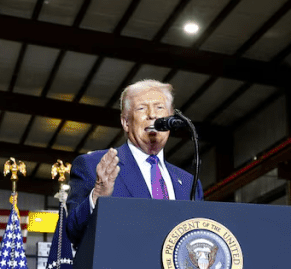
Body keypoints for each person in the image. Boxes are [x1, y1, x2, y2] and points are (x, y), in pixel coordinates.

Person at [65, 79, 203, 246]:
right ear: (126, 122)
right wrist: (97, 196)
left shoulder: (189, 183)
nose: (152, 115)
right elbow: (73, 231)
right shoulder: (93, 166)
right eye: (142, 108)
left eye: (159, 108)